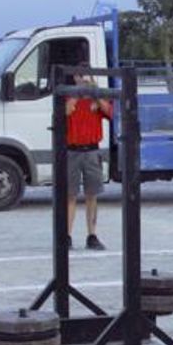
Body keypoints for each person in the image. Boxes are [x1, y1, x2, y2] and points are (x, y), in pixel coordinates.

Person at [64, 74, 111, 250]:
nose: (82, 80)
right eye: (79, 77)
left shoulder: (97, 97)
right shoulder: (68, 96)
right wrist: (78, 94)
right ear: (75, 78)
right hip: (73, 150)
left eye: (86, 76)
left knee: (92, 194)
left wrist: (95, 95)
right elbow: (65, 112)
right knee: (70, 195)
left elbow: (109, 112)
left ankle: (92, 234)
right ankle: (67, 235)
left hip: (92, 150)